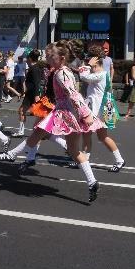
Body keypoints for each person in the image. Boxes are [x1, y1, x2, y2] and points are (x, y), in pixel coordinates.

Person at [31, 41, 101, 202]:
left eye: (50, 56)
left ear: (61, 58)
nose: (47, 58)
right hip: (68, 113)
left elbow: (73, 94)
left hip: (67, 113)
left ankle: (18, 156)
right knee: (73, 150)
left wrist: (85, 114)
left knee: (41, 132)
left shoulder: (61, 73)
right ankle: (92, 182)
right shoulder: (60, 71)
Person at [77, 44, 126, 172]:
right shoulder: (100, 73)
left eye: (90, 59)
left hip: (97, 111)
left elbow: (83, 76)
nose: (88, 60)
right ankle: (85, 161)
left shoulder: (100, 74)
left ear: (95, 61)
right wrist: (89, 65)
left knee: (98, 136)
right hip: (95, 109)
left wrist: (87, 65)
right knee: (90, 135)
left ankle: (119, 160)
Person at [11, 49, 43, 138]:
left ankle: (43, 132)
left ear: (30, 58)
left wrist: (36, 95)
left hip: (32, 94)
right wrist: (24, 92)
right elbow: (31, 83)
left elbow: (36, 82)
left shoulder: (34, 69)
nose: (26, 60)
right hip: (30, 93)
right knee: (24, 111)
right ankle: (22, 131)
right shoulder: (34, 68)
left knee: (24, 111)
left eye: (27, 58)